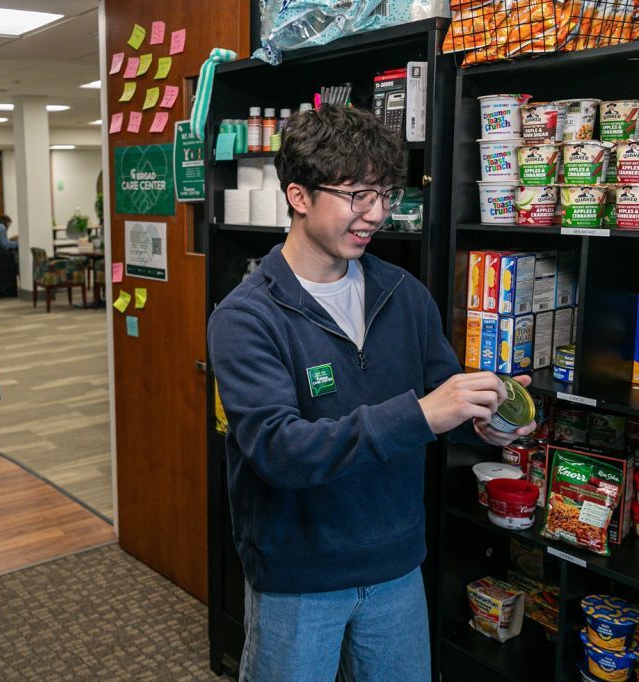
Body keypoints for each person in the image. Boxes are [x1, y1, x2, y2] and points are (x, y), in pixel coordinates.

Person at [207, 106, 535, 681]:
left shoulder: (403, 293)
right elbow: (279, 452)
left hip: (396, 565)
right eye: (357, 195)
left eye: (385, 194)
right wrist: (422, 414)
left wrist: (480, 417)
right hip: (298, 575)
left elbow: (439, 396)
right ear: (299, 196)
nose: (377, 214)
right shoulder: (246, 317)